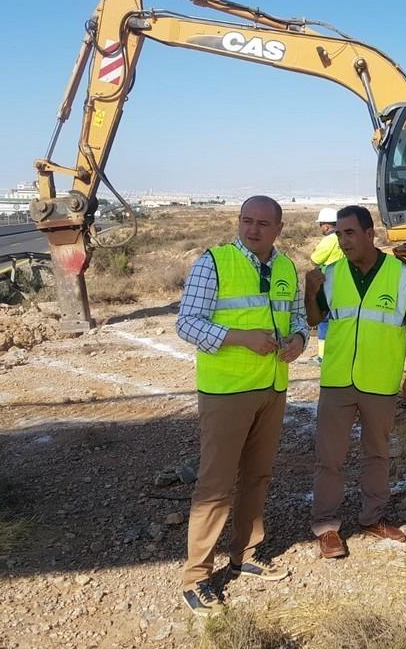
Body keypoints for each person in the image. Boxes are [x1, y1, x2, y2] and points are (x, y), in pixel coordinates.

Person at [175, 196, 307, 616]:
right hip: (227, 391)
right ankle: (196, 577)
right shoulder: (213, 263)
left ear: (279, 228)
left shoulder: (286, 269)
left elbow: (298, 319)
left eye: (263, 223)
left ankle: (245, 554)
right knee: (215, 486)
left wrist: (299, 341)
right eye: (246, 220)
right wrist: (240, 337)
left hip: (272, 388)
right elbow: (186, 323)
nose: (253, 229)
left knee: (258, 475)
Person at [304, 205, 406, 558]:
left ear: (370, 234)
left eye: (349, 233)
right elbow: (313, 319)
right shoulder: (331, 274)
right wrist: (309, 292)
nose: (342, 241)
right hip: (337, 380)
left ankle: (372, 517)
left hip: (380, 382)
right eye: (338, 234)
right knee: (330, 457)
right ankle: (326, 526)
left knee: (377, 453)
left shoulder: (401, 275)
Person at [310, 208, 344, 363]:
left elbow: (315, 259)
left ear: (326, 225)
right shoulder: (343, 237)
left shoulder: (329, 240)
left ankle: (323, 356)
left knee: (323, 320)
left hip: (327, 283)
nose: (320, 228)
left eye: (321, 224)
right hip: (342, 283)